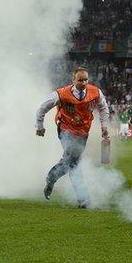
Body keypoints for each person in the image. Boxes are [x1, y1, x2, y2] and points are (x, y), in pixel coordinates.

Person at [35, 67, 109, 208]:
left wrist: (104, 126)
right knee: (75, 163)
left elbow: (103, 108)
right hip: (66, 130)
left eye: (86, 80)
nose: (83, 83)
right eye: (80, 80)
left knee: (72, 162)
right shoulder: (61, 94)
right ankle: (83, 199)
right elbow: (42, 108)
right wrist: (39, 126)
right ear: (73, 80)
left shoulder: (95, 92)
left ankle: (51, 178)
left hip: (83, 132)